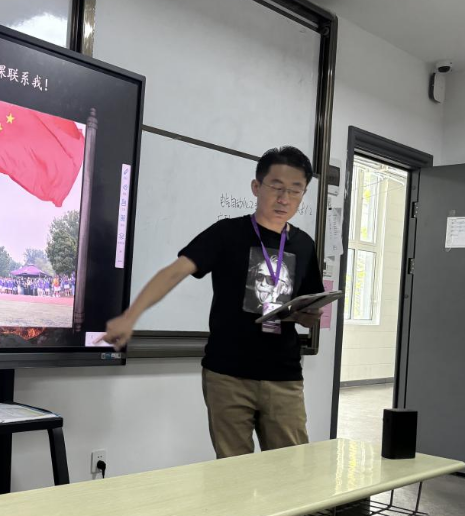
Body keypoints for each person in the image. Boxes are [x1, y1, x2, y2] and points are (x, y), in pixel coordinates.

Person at [99, 146, 323, 459]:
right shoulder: (227, 233)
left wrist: (307, 316)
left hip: (283, 375)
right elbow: (174, 272)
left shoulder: (304, 244)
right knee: (233, 472)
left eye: (295, 190)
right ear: (256, 187)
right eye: (276, 187)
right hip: (228, 374)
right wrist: (130, 316)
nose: (284, 198)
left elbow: (310, 305)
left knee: (292, 469)